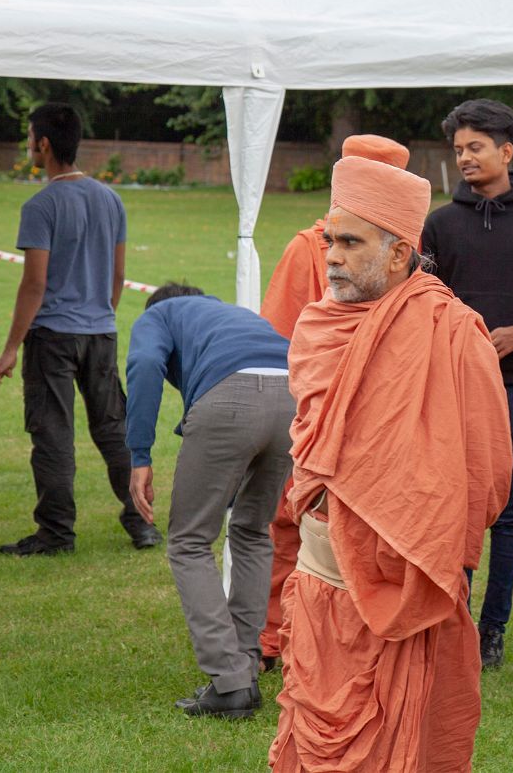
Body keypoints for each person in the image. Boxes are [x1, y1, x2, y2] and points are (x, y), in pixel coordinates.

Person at [269, 156, 510, 772]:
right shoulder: (319, 325)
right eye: (330, 240)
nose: (332, 257)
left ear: (400, 253)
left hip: (408, 586)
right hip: (322, 581)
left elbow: (487, 476)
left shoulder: (454, 333)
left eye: (352, 242)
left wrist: (417, 540)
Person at [419, 99, 513, 669]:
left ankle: (492, 630)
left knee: (505, 513)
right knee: (449, 505)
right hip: (448, 387)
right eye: (458, 149)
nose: (464, 158)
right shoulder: (438, 224)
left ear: (507, 152)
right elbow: (421, 300)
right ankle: (447, 618)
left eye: (475, 148)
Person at [258, 133, 411, 670]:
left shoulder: (400, 257)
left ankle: (286, 637)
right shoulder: (316, 245)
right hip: (316, 416)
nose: (337, 256)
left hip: (375, 431)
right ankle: (282, 635)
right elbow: (281, 337)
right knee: (294, 523)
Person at [0, 103, 157, 555]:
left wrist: (9, 350)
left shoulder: (40, 206)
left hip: (52, 338)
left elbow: (35, 283)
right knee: (113, 430)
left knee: (53, 433)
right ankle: (141, 522)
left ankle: (56, 533)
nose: (29, 145)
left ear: (43, 144)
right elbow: (117, 275)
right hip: (100, 332)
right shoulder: (111, 199)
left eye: (29, 138)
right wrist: (102, 316)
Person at [124, 282, 294, 718]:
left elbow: (144, 362)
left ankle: (230, 680)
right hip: (294, 395)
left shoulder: (158, 314)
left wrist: (139, 455)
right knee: (253, 531)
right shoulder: (232, 314)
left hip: (230, 398)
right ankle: (246, 667)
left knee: (189, 541)